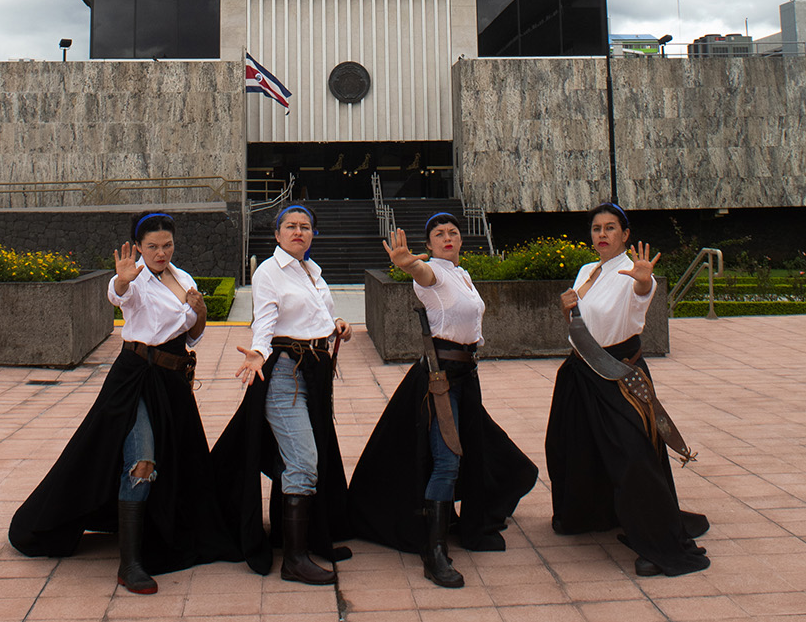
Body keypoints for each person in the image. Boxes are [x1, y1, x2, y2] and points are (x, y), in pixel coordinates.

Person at [9, 211, 237, 593]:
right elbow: (119, 295)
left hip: (173, 383)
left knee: (179, 460)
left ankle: (154, 533)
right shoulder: (136, 279)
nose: (161, 252)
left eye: (167, 245)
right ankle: (130, 563)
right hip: (135, 377)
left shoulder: (184, 278)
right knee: (141, 460)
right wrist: (122, 278)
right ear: (139, 246)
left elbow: (193, 335)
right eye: (152, 246)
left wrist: (199, 312)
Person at [348, 215, 538, 588]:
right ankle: (433, 552)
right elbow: (422, 275)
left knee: (478, 450)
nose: (448, 238)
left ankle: (457, 520)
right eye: (439, 234)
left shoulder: (461, 275)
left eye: (453, 232)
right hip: (441, 380)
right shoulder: (432, 274)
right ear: (430, 244)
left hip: (466, 377)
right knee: (447, 460)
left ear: (461, 241)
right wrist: (410, 264)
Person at [544, 202, 710, 577]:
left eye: (610, 228)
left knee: (634, 455)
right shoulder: (587, 269)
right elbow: (580, 321)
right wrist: (566, 308)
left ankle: (657, 539)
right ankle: (586, 514)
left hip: (619, 374)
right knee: (569, 446)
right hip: (580, 373)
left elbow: (641, 294)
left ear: (625, 234)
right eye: (596, 228)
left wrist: (643, 278)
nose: (602, 234)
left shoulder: (632, 273)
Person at [210, 204, 352, 584]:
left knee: (310, 455)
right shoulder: (269, 271)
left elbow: (319, 315)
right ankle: (294, 558)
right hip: (284, 376)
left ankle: (307, 538)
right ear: (276, 234)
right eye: (290, 226)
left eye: (305, 227)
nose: (298, 232)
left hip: (314, 373)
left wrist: (336, 324)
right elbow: (266, 319)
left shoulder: (312, 270)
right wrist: (258, 350)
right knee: (304, 460)